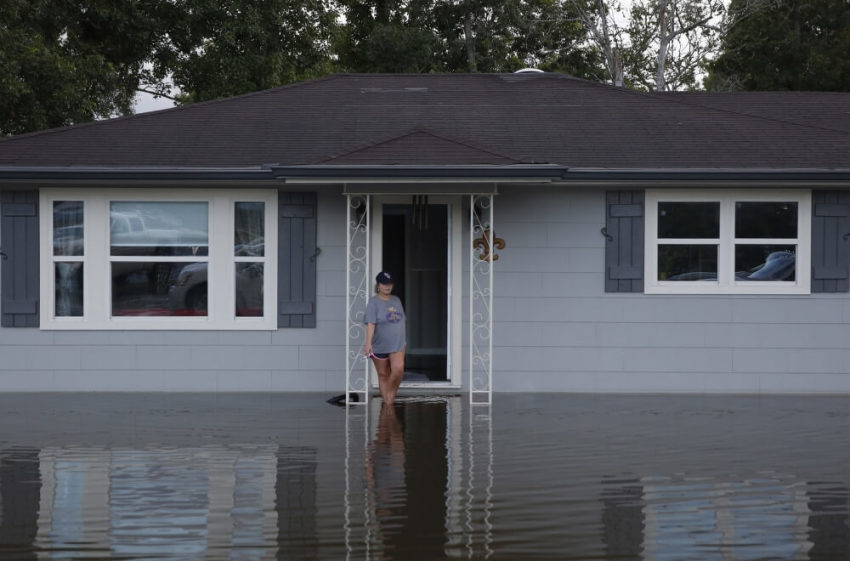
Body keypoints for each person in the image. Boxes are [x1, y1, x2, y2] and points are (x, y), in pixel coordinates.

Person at [364, 271, 406, 405]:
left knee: (398, 369)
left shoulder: (396, 300)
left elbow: (400, 320)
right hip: (379, 344)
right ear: (378, 285)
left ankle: (390, 394)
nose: (387, 286)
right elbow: (371, 323)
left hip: (397, 343)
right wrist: (368, 343)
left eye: (390, 284)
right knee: (383, 375)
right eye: (384, 284)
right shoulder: (373, 302)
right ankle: (389, 404)